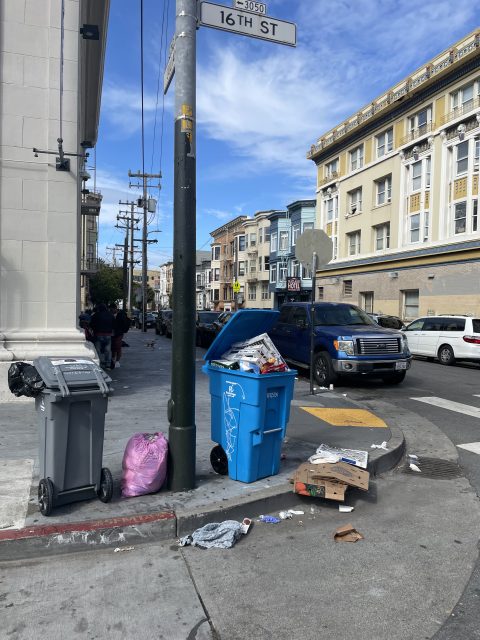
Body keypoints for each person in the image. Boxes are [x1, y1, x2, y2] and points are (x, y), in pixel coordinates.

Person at [89, 303, 114, 369]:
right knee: (108, 350)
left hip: (98, 334)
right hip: (108, 334)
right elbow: (114, 324)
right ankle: (108, 364)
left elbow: (91, 324)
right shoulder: (110, 315)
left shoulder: (96, 315)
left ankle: (101, 363)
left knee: (98, 350)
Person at [109, 304, 131, 369]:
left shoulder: (121, 314)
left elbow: (124, 323)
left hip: (118, 333)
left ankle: (117, 361)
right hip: (113, 333)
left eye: (112, 310)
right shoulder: (111, 314)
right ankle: (113, 359)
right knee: (113, 347)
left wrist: (121, 330)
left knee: (118, 346)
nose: (111, 311)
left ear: (115, 308)